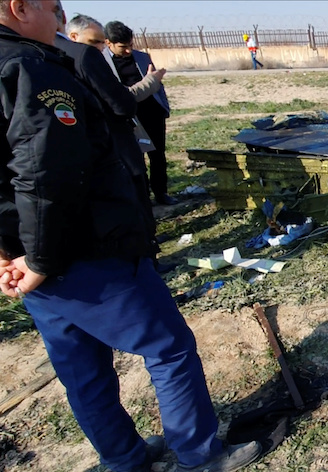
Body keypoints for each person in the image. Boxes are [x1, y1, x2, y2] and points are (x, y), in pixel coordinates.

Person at [0, 2, 262, 472]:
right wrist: (39, 259)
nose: (59, 18)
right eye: (51, 6)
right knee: (169, 348)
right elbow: (47, 174)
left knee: (83, 372)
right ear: (21, 7)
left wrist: (7, 254)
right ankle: (199, 456)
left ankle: (123, 460)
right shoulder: (31, 69)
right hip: (83, 251)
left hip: (25, 263)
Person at [60, 14, 174, 274]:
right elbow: (121, 101)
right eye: (95, 42)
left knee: (148, 171)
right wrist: (150, 83)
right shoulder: (81, 60)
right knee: (133, 186)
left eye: (101, 42)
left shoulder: (71, 57)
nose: (99, 48)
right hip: (116, 136)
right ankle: (146, 256)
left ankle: (149, 241)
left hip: (127, 129)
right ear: (73, 37)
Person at [105, 21, 178, 206]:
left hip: (152, 114)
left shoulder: (143, 58)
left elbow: (157, 85)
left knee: (158, 155)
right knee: (136, 159)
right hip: (129, 118)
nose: (129, 51)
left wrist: (164, 108)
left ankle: (161, 192)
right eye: (123, 47)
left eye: (131, 45)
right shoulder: (101, 63)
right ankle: (143, 197)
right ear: (108, 43)